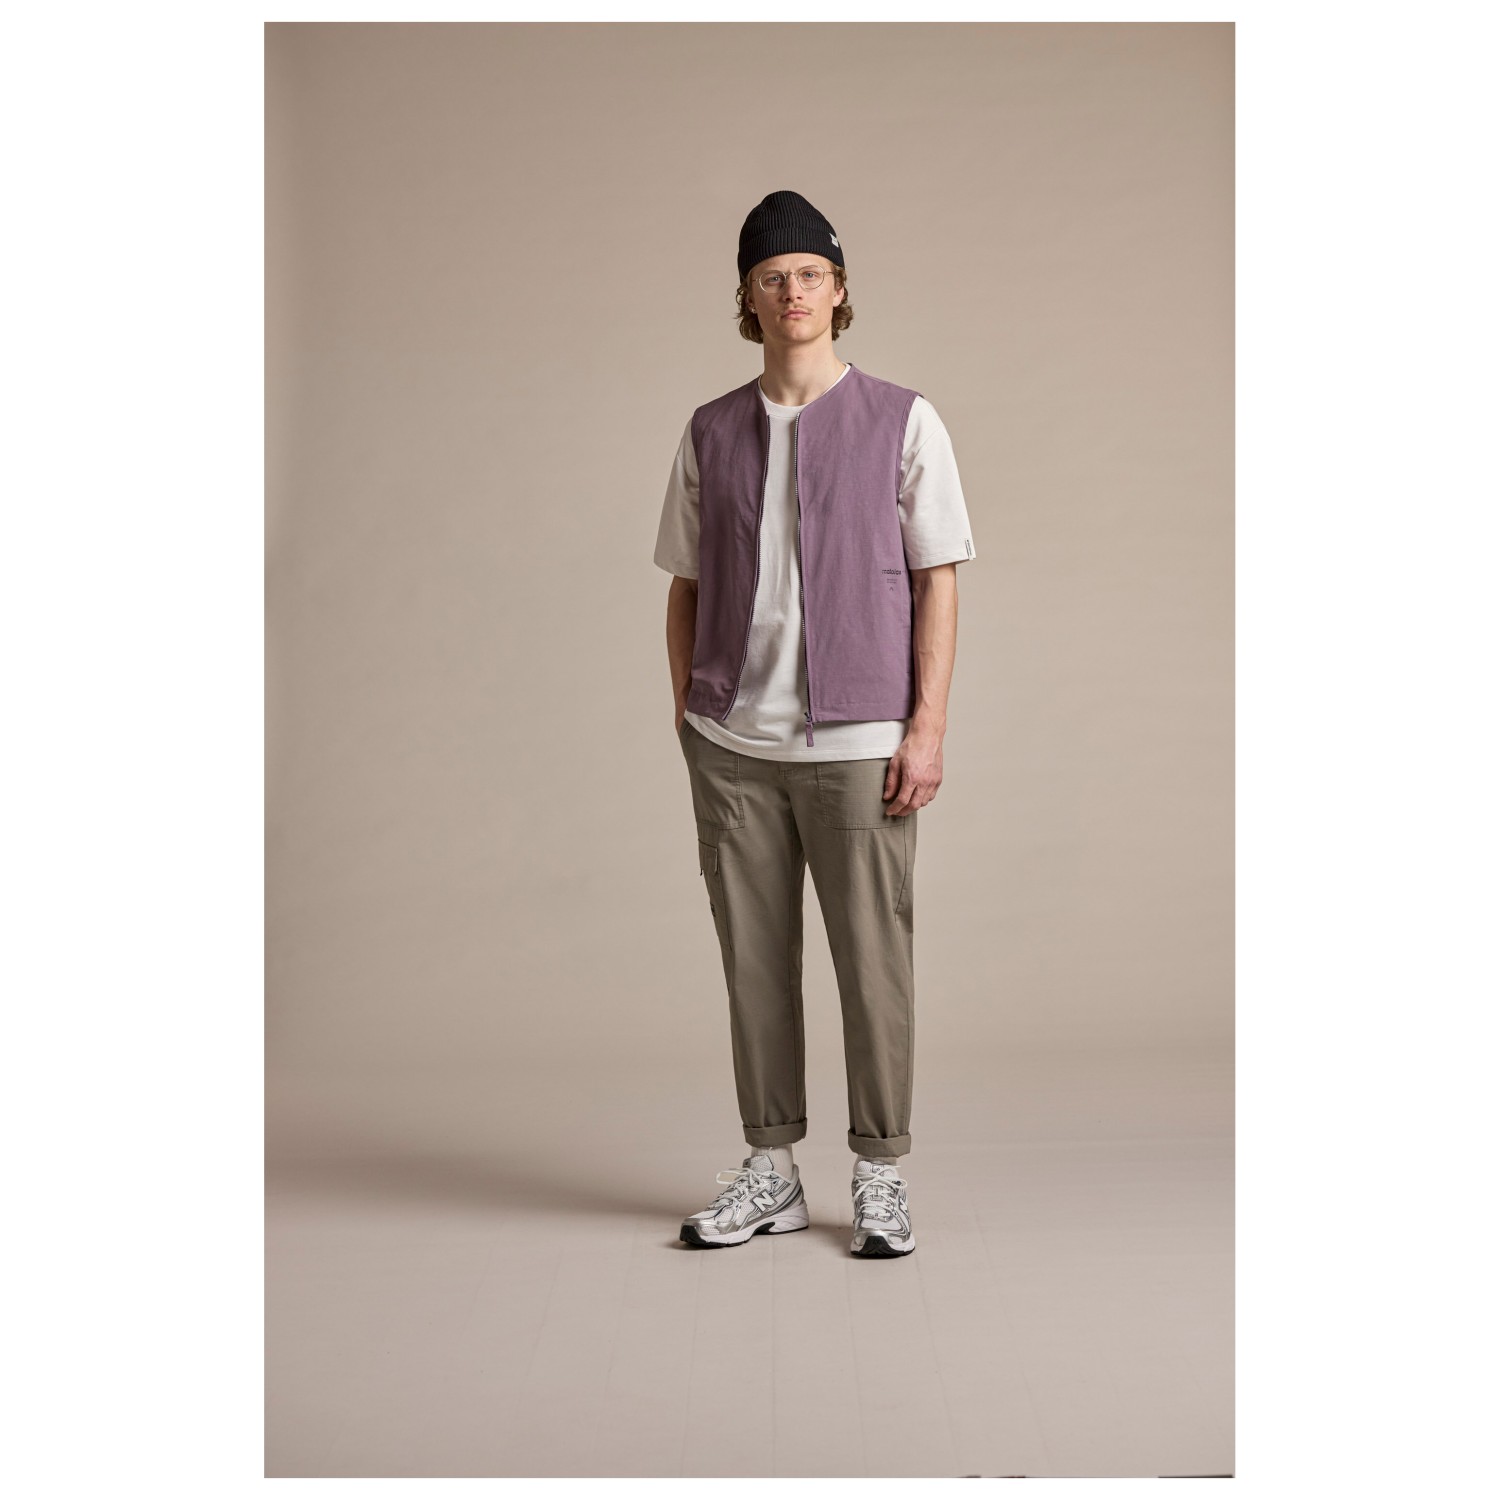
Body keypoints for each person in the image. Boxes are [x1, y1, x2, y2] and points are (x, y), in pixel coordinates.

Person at [653, 189, 976, 1258]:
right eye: (771, 276)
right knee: (754, 966)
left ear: (838, 291)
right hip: (733, 748)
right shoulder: (711, 431)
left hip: (859, 745)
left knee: (873, 966)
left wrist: (925, 727)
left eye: (809, 274)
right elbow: (685, 585)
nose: (791, 291)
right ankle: (773, 1172)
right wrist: (691, 718)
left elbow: (937, 578)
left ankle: (879, 1173)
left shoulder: (903, 419)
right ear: (747, 298)